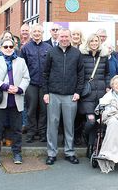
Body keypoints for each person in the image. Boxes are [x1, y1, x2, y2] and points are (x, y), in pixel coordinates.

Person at [43, 28, 84, 165]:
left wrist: (78, 91)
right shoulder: (51, 52)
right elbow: (45, 73)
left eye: (66, 36)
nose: (64, 39)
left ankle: (69, 152)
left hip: (70, 95)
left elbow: (81, 74)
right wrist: (46, 92)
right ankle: (51, 153)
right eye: (62, 36)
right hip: (53, 94)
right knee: (52, 125)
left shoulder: (77, 53)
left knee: (69, 125)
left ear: (70, 37)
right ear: (57, 37)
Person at [0, 38, 30, 167]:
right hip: (0, 100)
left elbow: (26, 78)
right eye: (6, 47)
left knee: (16, 130)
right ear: (0, 48)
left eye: (11, 46)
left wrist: (19, 88)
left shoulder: (21, 61)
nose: (9, 49)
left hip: (16, 100)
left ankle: (17, 153)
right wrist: (5, 87)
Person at [79, 33, 110, 158]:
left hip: (101, 94)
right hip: (87, 94)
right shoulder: (82, 56)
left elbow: (107, 73)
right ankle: (84, 135)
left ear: (99, 42)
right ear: (88, 43)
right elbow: (79, 75)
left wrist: (108, 85)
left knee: (99, 122)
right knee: (91, 121)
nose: (94, 43)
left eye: (96, 41)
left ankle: (92, 147)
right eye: (91, 41)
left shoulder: (104, 57)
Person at [20, 24, 52, 143]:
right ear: (31, 33)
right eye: (35, 31)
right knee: (31, 109)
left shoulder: (48, 47)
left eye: (39, 31)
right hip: (31, 83)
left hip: (45, 84)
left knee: (44, 110)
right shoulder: (25, 48)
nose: (37, 33)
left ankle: (43, 133)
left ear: (42, 33)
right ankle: (31, 132)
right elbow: (22, 67)